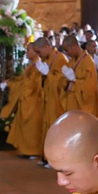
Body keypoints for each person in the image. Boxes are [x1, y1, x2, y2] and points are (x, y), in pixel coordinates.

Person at [0, 47, 43, 158]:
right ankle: (26, 150)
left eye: (29, 50)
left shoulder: (38, 65)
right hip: (27, 100)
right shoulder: (32, 65)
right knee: (25, 126)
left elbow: (30, 85)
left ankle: (33, 151)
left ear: (35, 51)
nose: (27, 52)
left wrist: (11, 85)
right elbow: (23, 80)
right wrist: (10, 82)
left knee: (31, 127)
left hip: (32, 101)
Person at [32, 36, 69, 165]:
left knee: (56, 130)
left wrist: (49, 74)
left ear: (46, 47)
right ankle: (46, 157)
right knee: (47, 128)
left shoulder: (61, 59)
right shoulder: (47, 59)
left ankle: (55, 160)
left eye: (39, 51)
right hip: (48, 100)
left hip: (57, 101)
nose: (38, 54)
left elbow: (63, 81)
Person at [61, 35, 98, 119]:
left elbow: (90, 89)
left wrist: (75, 80)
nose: (67, 53)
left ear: (74, 46)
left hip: (83, 107)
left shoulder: (88, 61)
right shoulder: (71, 61)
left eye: (67, 50)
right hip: (72, 104)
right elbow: (64, 83)